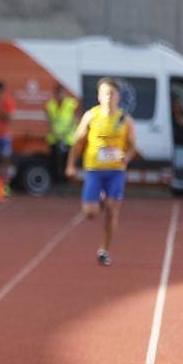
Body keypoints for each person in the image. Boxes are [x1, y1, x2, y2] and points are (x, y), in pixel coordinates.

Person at [65, 77, 136, 266]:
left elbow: (132, 147)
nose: (108, 97)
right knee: (90, 212)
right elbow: (78, 142)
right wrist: (71, 164)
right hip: (94, 170)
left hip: (116, 171)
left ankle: (104, 249)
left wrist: (126, 158)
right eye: (105, 93)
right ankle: (100, 198)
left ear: (118, 97)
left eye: (112, 93)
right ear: (98, 96)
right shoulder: (90, 116)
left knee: (113, 211)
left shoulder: (125, 119)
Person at [45, 83, 79, 182]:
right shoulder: (50, 105)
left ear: (65, 93)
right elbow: (49, 121)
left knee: (67, 162)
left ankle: (67, 181)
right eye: (57, 93)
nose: (59, 95)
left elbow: (74, 120)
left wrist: (64, 134)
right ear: (55, 93)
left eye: (61, 93)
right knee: (54, 162)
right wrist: (57, 135)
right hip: (54, 139)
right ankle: (56, 181)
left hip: (68, 139)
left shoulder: (71, 103)